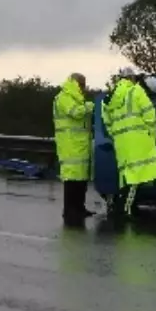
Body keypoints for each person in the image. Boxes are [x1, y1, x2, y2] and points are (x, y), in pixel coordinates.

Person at [101, 67, 156, 222]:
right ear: (132, 78)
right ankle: (124, 210)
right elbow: (150, 115)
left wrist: (115, 134)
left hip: (121, 142)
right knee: (135, 179)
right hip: (138, 140)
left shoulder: (111, 96)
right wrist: (152, 136)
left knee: (126, 176)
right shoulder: (136, 91)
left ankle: (125, 207)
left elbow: (107, 121)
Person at [53, 72, 96, 229]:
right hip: (70, 144)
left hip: (80, 144)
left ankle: (79, 207)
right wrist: (91, 106)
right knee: (71, 179)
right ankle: (69, 210)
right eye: (82, 84)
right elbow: (76, 112)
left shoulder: (76, 97)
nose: (84, 88)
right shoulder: (64, 97)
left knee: (81, 177)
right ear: (76, 83)